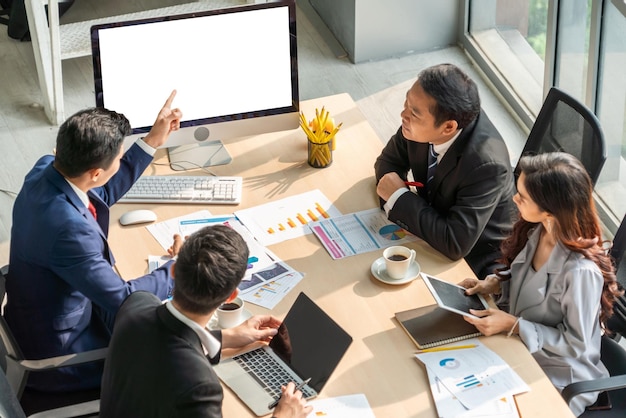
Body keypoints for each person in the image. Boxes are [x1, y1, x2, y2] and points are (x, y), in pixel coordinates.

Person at [5, 91, 183, 393]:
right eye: (119, 158)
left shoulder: (45, 169)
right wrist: (179, 270)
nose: (121, 160)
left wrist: (152, 140)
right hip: (64, 354)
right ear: (96, 171)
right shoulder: (69, 231)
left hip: (35, 316)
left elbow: (100, 191)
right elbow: (124, 299)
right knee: (176, 358)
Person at [460, 152, 622, 416]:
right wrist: (495, 284)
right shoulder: (540, 231)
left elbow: (577, 344)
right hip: (518, 347)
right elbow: (530, 282)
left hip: (556, 373)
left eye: (522, 197)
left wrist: (514, 325)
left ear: (549, 210)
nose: (514, 198)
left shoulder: (580, 272)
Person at [100, 224, 312, 418]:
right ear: (230, 296)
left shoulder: (137, 304)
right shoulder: (200, 386)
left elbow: (164, 342)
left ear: (173, 271)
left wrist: (226, 338)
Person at [375, 63, 516, 279]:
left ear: (448, 127)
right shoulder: (422, 121)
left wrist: (398, 197)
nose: (403, 114)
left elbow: (454, 243)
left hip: (473, 263)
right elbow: (387, 163)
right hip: (430, 237)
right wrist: (417, 216)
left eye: (414, 112)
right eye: (406, 103)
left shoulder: (487, 165)